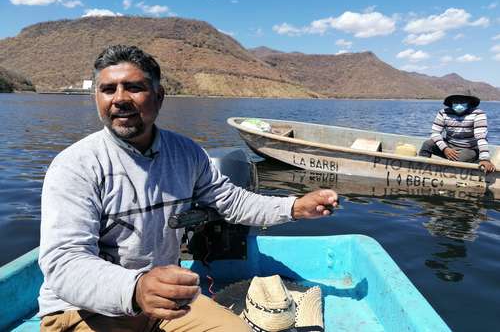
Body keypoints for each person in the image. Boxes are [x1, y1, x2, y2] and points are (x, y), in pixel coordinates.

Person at [38, 45, 339, 332]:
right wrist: (137, 288)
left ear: (159, 96)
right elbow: (65, 262)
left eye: (134, 87)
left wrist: (293, 207)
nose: (119, 98)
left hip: (167, 301)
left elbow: (231, 201)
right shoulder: (75, 166)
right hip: (85, 310)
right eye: (108, 89)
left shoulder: (186, 153)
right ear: (97, 99)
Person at [418, 94, 495, 173]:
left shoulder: (478, 114)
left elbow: (481, 137)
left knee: (458, 160)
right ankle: (421, 170)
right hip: (449, 146)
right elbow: (435, 133)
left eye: (462, 102)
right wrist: (445, 148)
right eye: (456, 102)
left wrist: (485, 159)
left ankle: (476, 160)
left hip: (469, 148)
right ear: (451, 103)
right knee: (427, 144)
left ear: (469, 102)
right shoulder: (443, 113)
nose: (459, 105)